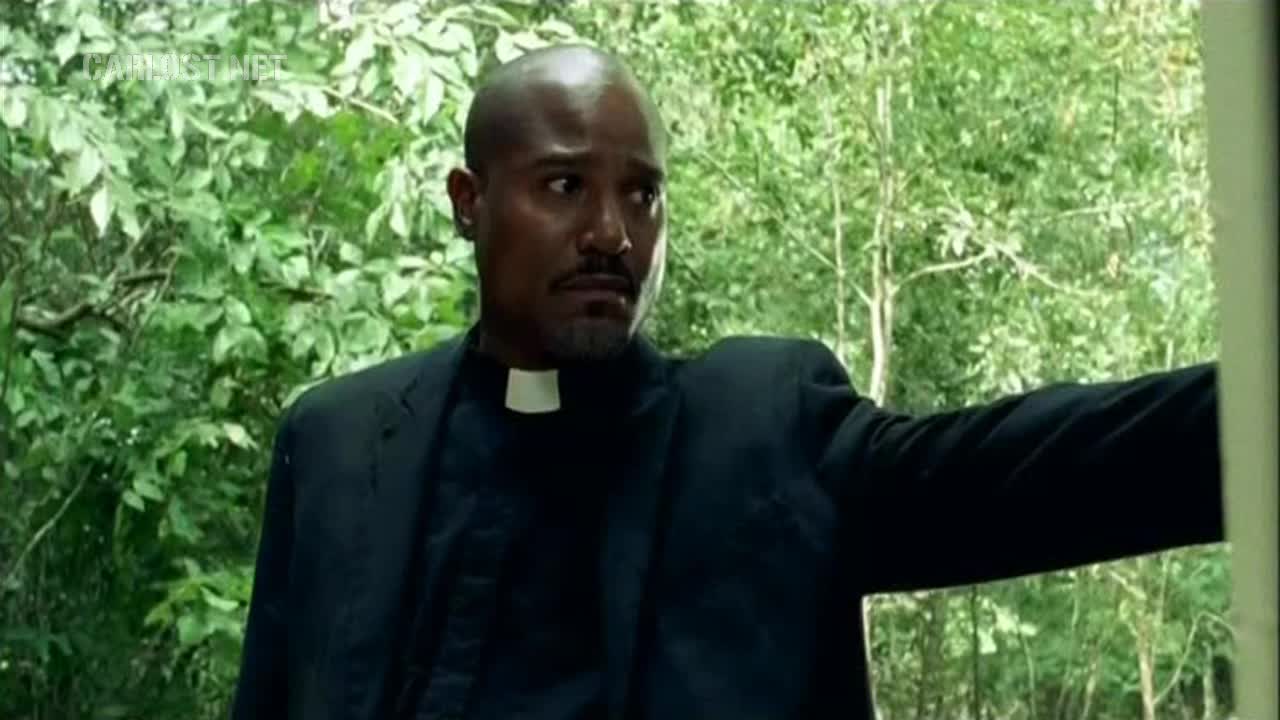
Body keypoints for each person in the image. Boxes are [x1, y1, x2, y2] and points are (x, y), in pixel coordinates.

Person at [230, 44, 1224, 720]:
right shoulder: (337, 441)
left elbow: (1036, 470)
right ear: (467, 202)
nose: (612, 234)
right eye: (566, 186)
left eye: (642, 195)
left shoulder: (759, 428)